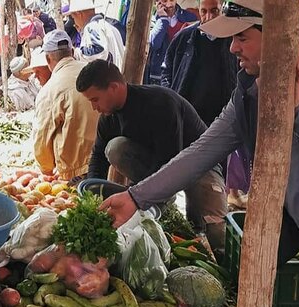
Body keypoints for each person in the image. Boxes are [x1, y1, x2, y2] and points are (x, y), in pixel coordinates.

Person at [100, 0, 299, 307]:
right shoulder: (248, 91)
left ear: (279, 36)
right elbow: (202, 151)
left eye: (242, 37)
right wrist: (136, 198)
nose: (233, 48)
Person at [77, 59, 227, 251]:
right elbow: (97, 157)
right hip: (159, 163)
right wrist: (92, 201)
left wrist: (138, 197)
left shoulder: (160, 103)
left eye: (95, 99)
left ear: (114, 87)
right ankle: (159, 202)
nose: (94, 108)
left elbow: (171, 160)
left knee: (214, 234)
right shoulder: (108, 118)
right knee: (115, 147)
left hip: (199, 165)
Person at [34, 31, 99, 183]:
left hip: (78, 169)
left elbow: (42, 136)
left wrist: (46, 169)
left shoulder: (49, 90)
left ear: (47, 58)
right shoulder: (93, 71)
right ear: (71, 51)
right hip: (107, 158)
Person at [161, 0, 237, 125]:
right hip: (187, 117)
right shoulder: (184, 37)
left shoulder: (234, 40)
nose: (209, 17)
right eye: (204, 11)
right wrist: (171, 100)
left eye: (214, 11)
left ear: (222, 9)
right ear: (199, 10)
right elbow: (166, 70)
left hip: (222, 119)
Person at [145, 0, 198, 85]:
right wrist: (163, 19)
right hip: (157, 75)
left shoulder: (189, 17)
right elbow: (155, 43)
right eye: (165, 0)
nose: (169, 4)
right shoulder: (151, 20)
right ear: (157, 2)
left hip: (180, 73)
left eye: (172, 0)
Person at [67, 0, 125, 67]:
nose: (75, 22)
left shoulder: (92, 27)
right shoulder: (109, 27)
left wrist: (76, 53)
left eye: (74, 18)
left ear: (79, 14)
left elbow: (99, 50)